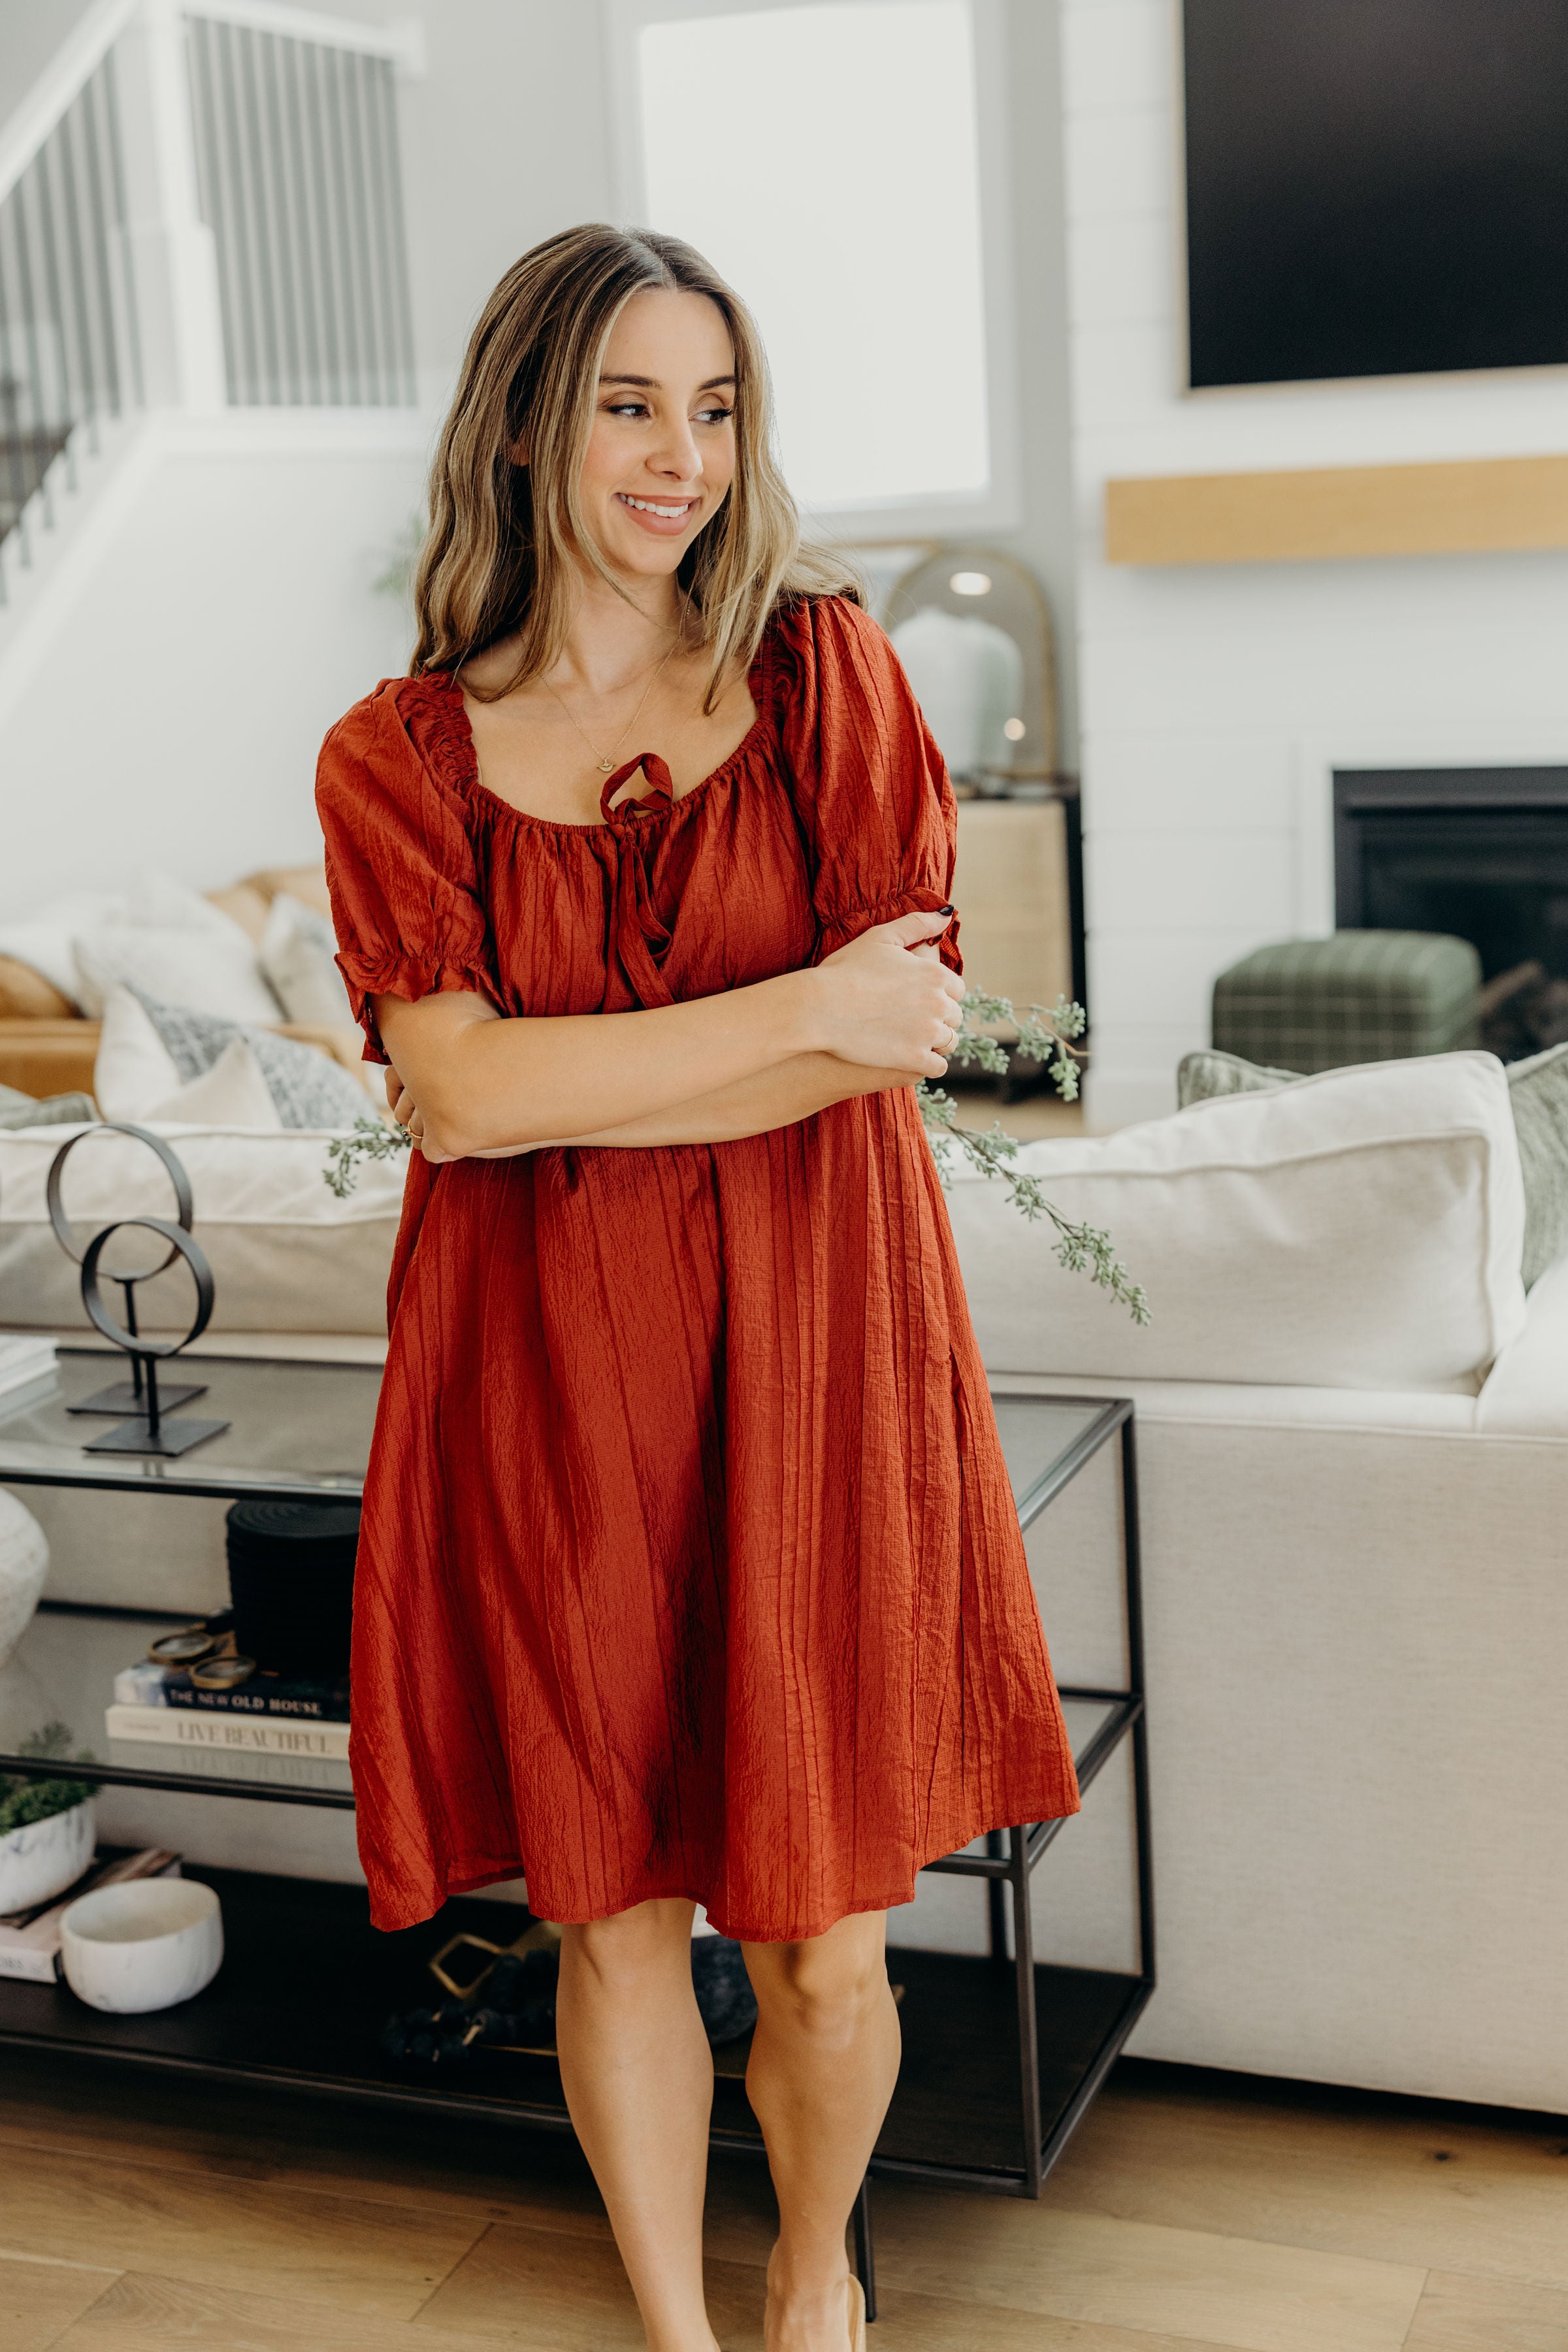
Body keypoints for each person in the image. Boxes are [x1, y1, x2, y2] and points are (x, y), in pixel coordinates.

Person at [316, 223, 1079, 2352]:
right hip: (551, 1376)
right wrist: (786, 1010)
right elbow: (456, 1100)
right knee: (615, 1912)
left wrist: (565, 1082)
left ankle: (813, 2269)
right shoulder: (399, 756)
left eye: (717, 409)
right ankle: (679, 2330)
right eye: (631, 406)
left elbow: (896, 1035)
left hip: (821, 1357)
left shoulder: (826, 670)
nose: (684, 458)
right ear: (524, 426)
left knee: (829, 1943)